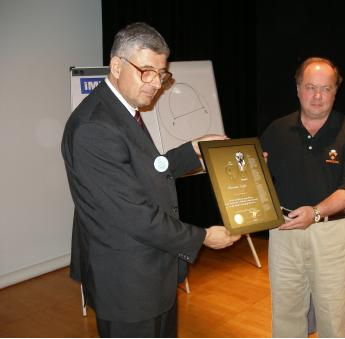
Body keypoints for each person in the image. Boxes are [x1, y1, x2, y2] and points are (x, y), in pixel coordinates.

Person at [61, 22, 240, 338]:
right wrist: (202, 237)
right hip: (127, 281)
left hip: (149, 271)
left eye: (161, 74)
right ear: (116, 66)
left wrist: (193, 150)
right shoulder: (95, 127)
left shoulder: (121, 110)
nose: (156, 83)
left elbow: (147, 169)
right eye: (147, 71)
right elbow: (134, 215)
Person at [261, 57, 345, 338]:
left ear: (336, 91)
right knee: (286, 314)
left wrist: (316, 212)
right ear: (298, 88)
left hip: (330, 235)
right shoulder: (276, 130)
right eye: (310, 87)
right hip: (284, 232)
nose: (318, 96)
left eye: (326, 88)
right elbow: (260, 181)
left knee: (331, 318)